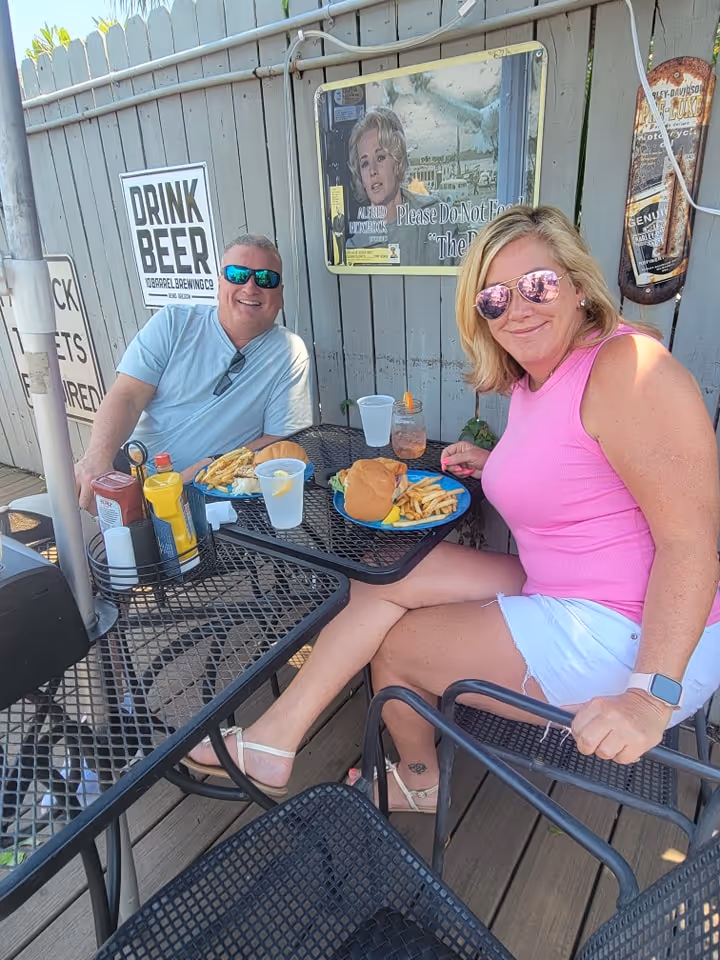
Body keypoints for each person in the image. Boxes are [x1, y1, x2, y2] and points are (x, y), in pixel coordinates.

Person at [187, 205, 720, 814]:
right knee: (386, 570)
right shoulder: (539, 376)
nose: (517, 308)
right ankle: (276, 738)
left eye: (538, 284)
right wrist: (496, 465)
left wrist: (650, 697)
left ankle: (419, 779)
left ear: (577, 285)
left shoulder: (629, 368)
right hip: (568, 582)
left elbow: (691, 542)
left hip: (636, 634)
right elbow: (584, 469)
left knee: (396, 644)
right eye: (494, 299)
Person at [75, 235, 312, 510]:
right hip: (134, 470)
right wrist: (97, 457)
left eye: (266, 279)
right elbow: (127, 396)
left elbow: (279, 440)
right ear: (219, 283)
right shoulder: (174, 322)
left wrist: (213, 466)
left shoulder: (288, 352)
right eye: (237, 274)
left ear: (280, 294)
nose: (250, 286)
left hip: (217, 488)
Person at [344, 107, 454, 267]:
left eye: (380, 157)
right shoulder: (355, 248)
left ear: (397, 162)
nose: (372, 171)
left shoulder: (436, 216)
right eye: (365, 163)